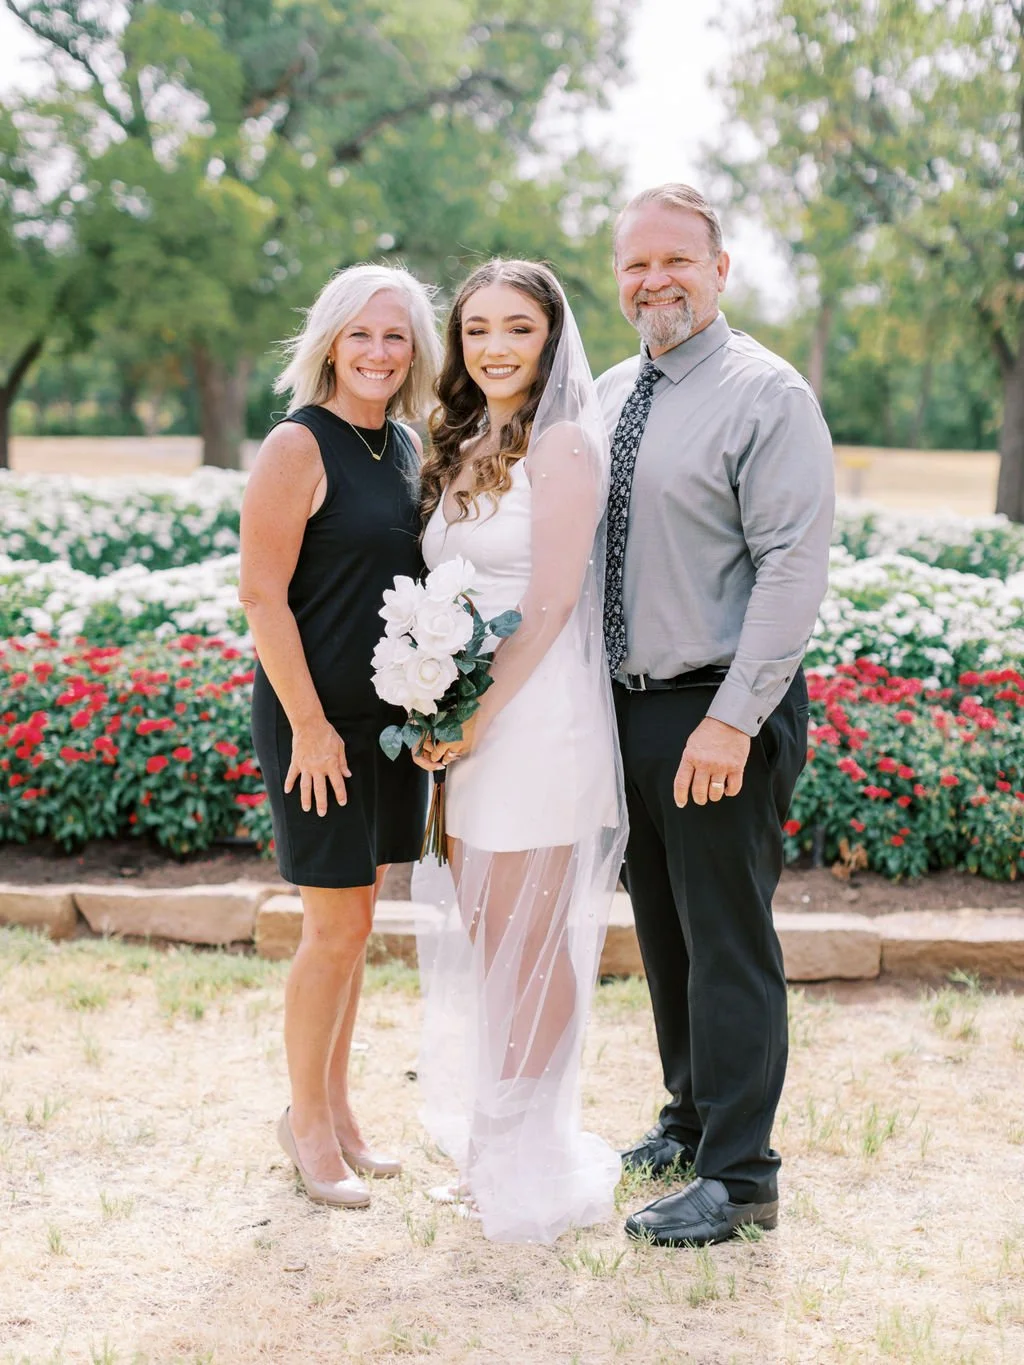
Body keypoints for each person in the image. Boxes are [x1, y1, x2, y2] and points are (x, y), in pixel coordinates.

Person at [596, 184, 835, 1247]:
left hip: (722, 707)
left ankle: (740, 1178)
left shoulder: (765, 393)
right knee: (664, 929)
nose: (656, 281)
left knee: (727, 940)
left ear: (720, 268)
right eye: (636, 264)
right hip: (629, 710)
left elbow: (791, 568)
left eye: (677, 260)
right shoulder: (609, 393)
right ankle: (689, 1121)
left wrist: (733, 718)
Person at [411, 259, 628, 1244]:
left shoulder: (563, 445)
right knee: (490, 936)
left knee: (531, 943)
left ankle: (523, 1155)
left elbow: (550, 605)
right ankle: (498, 1141)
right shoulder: (462, 440)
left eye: (517, 328)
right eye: (477, 330)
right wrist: (432, 694)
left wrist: (476, 714)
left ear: (550, 338)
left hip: (534, 721)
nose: (494, 348)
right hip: (469, 722)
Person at [239, 263, 442, 1208]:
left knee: (358, 925)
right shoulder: (298, 444)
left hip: (387, 725)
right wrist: (312, 729)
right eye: (361, 333)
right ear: (328, 342)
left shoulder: (405, 444)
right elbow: (262, 596)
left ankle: (341, 1111)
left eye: (395, 335)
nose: (378, 351)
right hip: (312, 722)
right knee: (334, 927)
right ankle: (306, 1122)